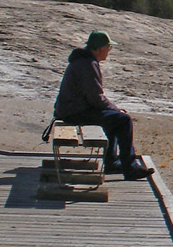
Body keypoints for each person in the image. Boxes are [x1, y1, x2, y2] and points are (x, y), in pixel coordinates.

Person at [54, 31, 148, 180]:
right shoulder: (88, 64)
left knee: (113, 118)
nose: (109, 51)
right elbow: (96, 98)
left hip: (70, 109)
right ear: (100, 49)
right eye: (108, 47)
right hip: (74, 112)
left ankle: (111, 163)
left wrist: (113, 110)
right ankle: (130, 168)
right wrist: (116, 109)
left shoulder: (83, 61)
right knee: (123, 120)